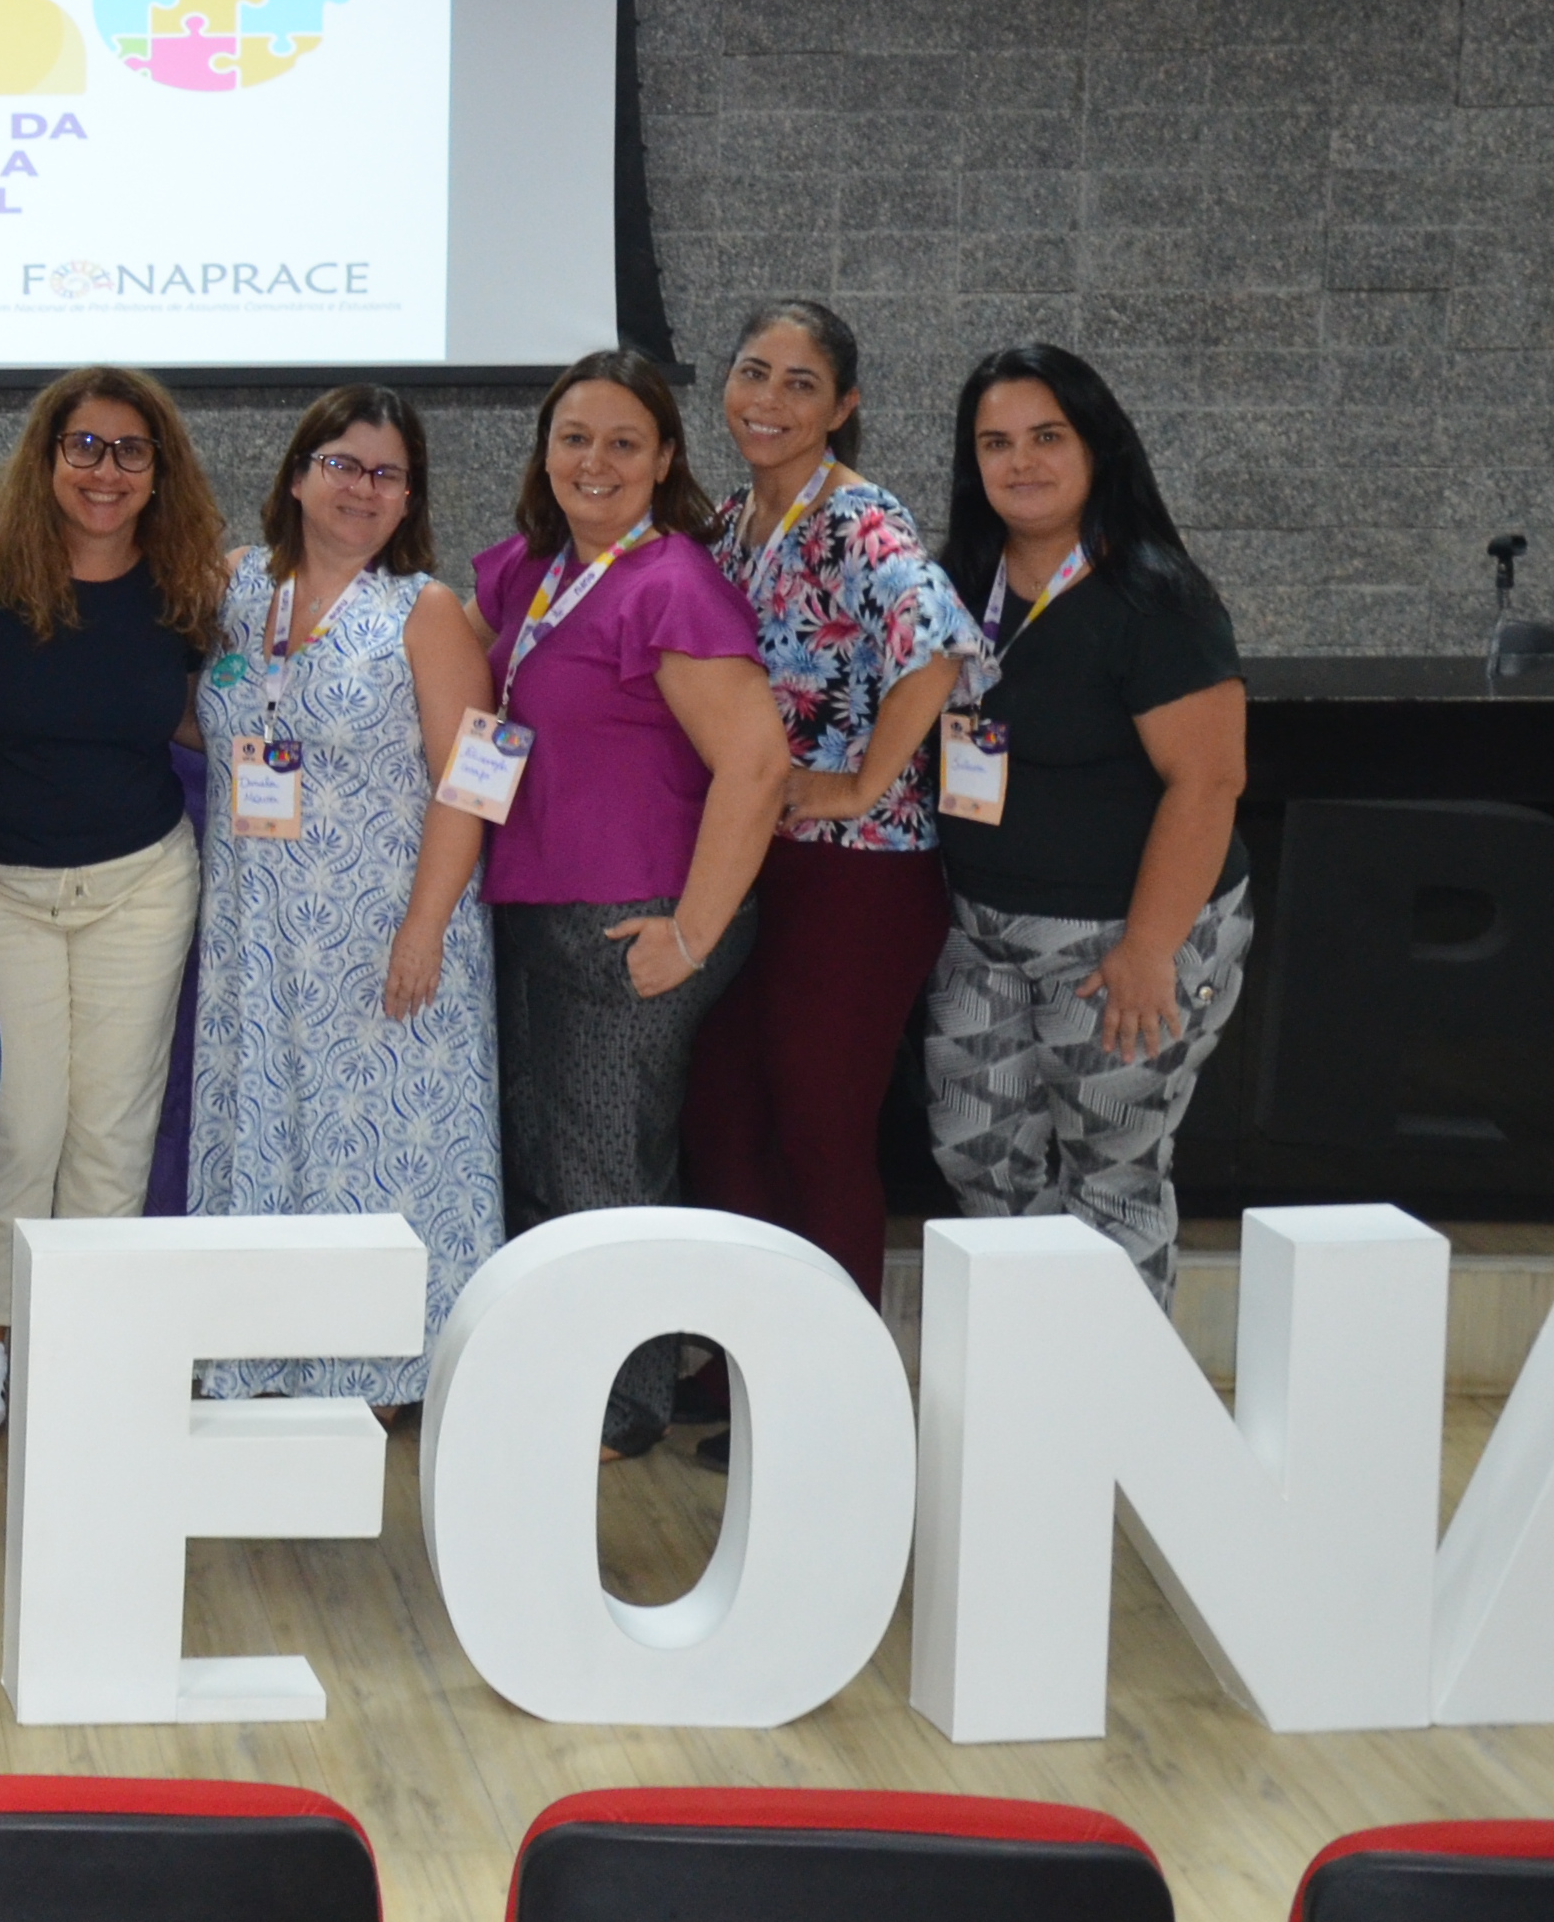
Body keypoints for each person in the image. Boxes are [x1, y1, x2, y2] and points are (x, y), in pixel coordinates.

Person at [464, 347, 795, 1461]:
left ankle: (623, 1402)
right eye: (572, 438)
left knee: (606, 1170)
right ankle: (558, 1373)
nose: (592, 461)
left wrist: (692, 933)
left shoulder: (675, 585)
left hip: (639, 918)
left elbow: (754, 767)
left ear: (662, 458)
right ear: (542, 452)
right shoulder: (526, 568)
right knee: (543, 1160)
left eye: (620, 441)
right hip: (526, 904)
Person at [682, 304, 991, 1427]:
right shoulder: (729, 522)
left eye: (800, 383)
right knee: (724, 1115)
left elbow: (936, 638)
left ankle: (830, 1398)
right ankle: (738, 1369)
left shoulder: (856, 518)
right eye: (751, 373)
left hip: (855, 877)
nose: (767, 400)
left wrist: (860, 780)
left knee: (816, 1126)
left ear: (843, 405)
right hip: (752, 867)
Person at [179, 388, 500, 1409]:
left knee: (385, 1146)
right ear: (294, 474)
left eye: (386, 474)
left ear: (408, 500)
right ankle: (262, 1354)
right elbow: (201, 720)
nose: (361, 488)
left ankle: (387, 1373)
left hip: (387, 934)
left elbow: (478, 775)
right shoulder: (233, 587)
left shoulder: (427, 611)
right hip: (257, 934)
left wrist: (424, 926)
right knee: (269, 1130)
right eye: (342, 464)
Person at [921, 345, 1254, 1297]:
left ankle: (1118, 1425)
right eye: (996, 443)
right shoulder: (958, 585)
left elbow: (1208, 783)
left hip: (1127, 936)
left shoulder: (1154, 596)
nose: (1020, 462)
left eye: (1046, 437)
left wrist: (1150, 951)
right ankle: (1033, 1378)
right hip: (982, 932)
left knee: (1109, 1174)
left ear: (1097, 449)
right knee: (979, 1158)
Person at [0, 364, 225, 1440]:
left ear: (159, 473)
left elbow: (213, 718)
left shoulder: (188, 583)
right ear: (46, 459)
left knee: (109, 1134)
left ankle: (89, 1353)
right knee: (19, 1130)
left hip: (138, 886)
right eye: (84, 448)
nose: (104, 471)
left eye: (128, 452)